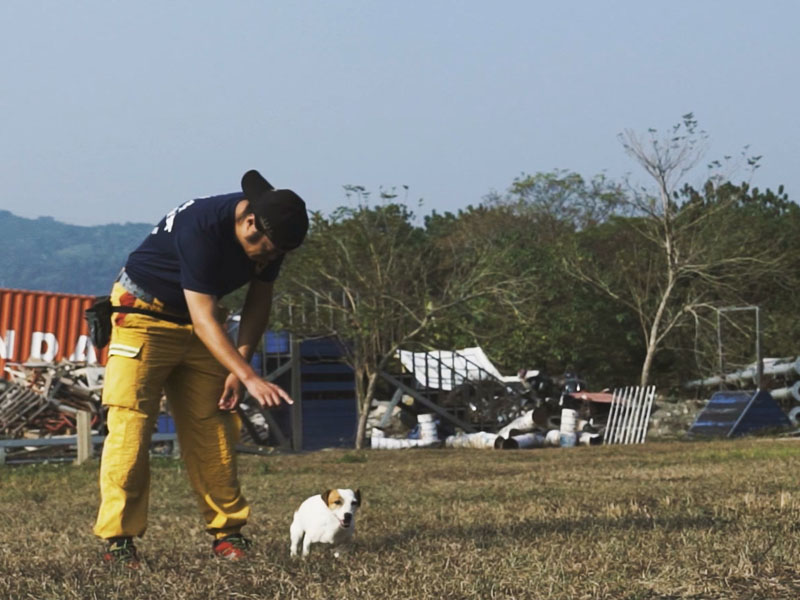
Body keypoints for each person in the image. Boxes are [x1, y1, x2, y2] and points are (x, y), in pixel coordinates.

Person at [93, 170, 308, 566]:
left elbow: (259, 302)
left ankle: (228, 534)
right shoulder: (201, 227)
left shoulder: (271, 235)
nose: (269, 257)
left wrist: (239, 364)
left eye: (278, 254)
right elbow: (203, 314)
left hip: (199, 327)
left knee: (215, 426)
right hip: (142, 317)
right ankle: (119, 541)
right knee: (131, 426)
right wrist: (249, 376)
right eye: (267, 248)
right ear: (248, 223)